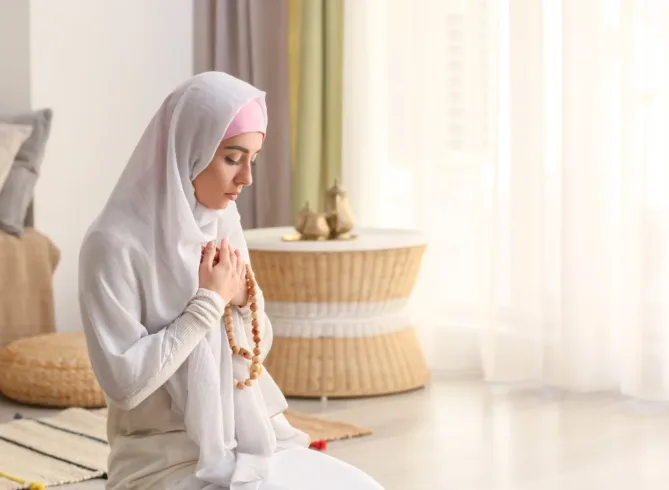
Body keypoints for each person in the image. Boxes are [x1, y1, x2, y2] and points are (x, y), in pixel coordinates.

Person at [78, 72, 384, 490]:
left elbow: (257, 351)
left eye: (252, 160)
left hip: (250, 439)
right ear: (189, 149)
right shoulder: (111, 244)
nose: (247, 179)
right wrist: (207, 303)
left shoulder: (222, 220)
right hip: (160, 457)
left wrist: (242, 304)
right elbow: (125, 385)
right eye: (232, 158)